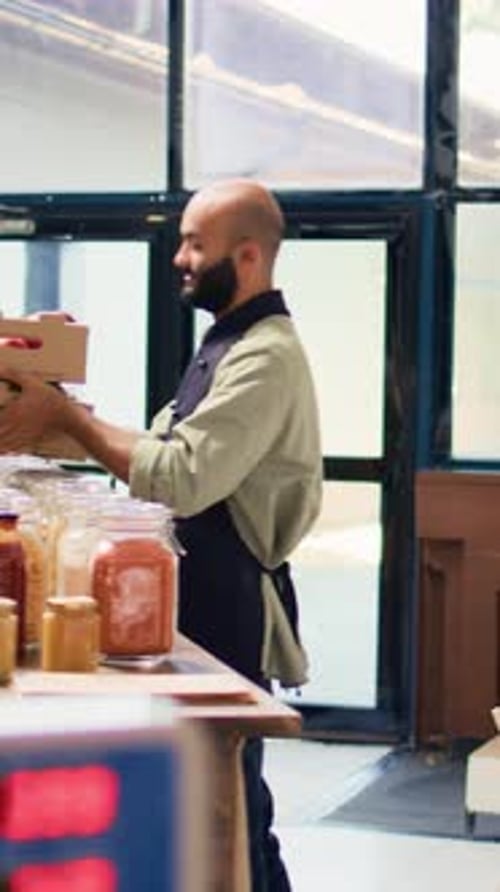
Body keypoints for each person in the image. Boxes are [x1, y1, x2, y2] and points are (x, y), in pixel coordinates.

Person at [0, 178, 322, 891]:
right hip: (195, 590)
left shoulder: (266, 357)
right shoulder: (227, 344)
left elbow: (178, 479)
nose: (179, 258)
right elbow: (150, 452)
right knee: (223, 806)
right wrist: (46, 402)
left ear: (248, 256)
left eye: (194, 245)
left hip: (228, 602)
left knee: (232, 811)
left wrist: (65, 418)